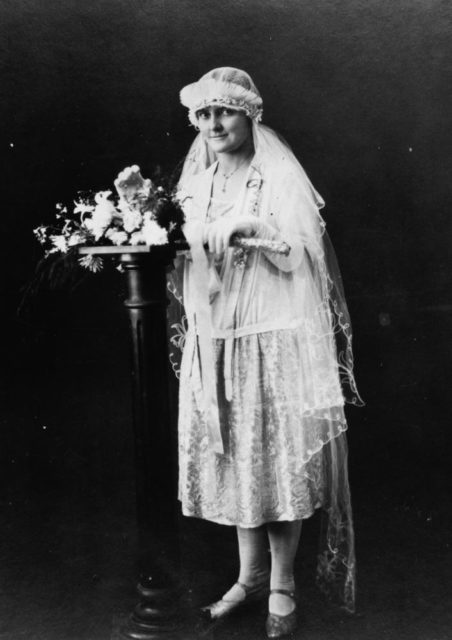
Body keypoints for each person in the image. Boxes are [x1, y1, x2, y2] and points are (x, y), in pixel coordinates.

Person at [171, 67, 362, 639]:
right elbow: (184, 256)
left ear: (249, 115)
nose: (213, 124)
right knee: (236, 460)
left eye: (224, 112)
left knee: (274, 461)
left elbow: (301, 253)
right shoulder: (196, 182)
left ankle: (281, 583)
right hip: (216, 335)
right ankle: (248, 577)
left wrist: (252, 227)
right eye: (203, 115)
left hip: (270, 333)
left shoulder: (274, 174)